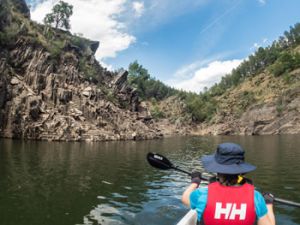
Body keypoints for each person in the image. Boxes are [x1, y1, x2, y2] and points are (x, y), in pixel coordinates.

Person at [182, 142, 275, 225]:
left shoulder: (202, 194)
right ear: (241, 170)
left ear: (217, 170)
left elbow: (185, 198)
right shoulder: (256, 197)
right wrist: (268, 202)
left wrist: (195, 182)